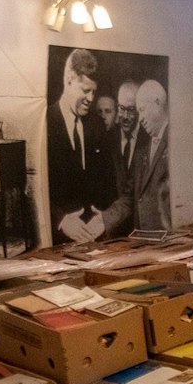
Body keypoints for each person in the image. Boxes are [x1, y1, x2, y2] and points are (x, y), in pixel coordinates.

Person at [46, 49, 113, 243]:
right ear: (69, 80)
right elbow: (32, 190)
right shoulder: (44, 123)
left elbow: (107, 179)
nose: (91, 99)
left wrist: (103, 216)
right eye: (85, 90)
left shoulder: (96, 124)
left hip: (95, 237)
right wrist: (61, 220)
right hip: (58, 239)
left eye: (94, 91)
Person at [100, 78, 171, 236]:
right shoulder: (144, 148)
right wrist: (103, 220)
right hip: (143, 238)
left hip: (167, 239)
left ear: (158, 102)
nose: (140, 118)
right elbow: (131, 195)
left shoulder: (176, 140)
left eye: (141, 110)